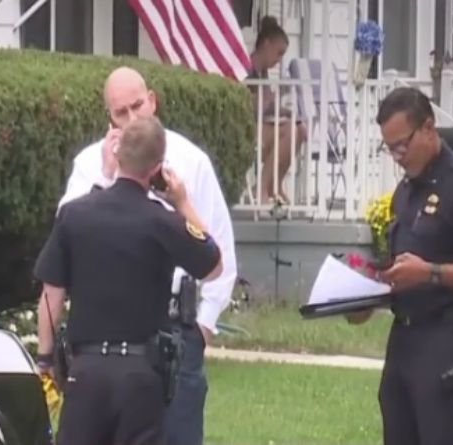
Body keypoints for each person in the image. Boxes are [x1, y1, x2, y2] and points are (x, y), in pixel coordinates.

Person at [57, 66, 237, 445]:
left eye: (137, 105)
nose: (132, 118)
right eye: (120, 112)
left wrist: (203, 326)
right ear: (109, 117)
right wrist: (108, 176)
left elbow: (219, 250)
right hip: (108, 333)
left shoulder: (190, 160)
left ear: (152, 101)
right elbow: (66, 232)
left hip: (177, 326)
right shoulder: (90, 163)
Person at [348, 87, 453, 445]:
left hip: (449, 341)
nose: (397, 157)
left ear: (428, 128)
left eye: (402, 145)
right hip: (404, 341)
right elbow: (405, 266)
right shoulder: (407, 190)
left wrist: (432, 273)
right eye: (389, 148)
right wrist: (369, 293)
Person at [247, 16, 307, 204]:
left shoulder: (263, 73)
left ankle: (275, 184)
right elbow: (249, 107)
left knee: (300, 130)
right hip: (246, 130)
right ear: (266, 44)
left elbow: (267, 106)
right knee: (289, 131)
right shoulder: (247, 69)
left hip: (261, 127)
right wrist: (268, 101)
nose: (279, 60)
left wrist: (286, 112)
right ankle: (261, 187)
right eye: (279, 53)